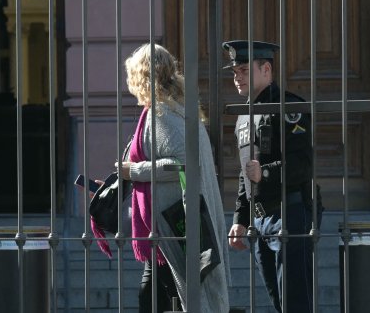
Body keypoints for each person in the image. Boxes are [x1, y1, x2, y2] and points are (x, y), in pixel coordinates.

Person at [106, 43, 229, 313]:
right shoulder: (179, 108)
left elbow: (182, 165)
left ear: (141, 76)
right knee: (156, 299)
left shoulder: (160, 115)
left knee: (155, 301)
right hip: (168, 226)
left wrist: (133, 171)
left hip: (173, 227)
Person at [224, 40, 320, 313]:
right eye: (234, 72)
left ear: (266, 69)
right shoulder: (244, 115)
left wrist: (265, 172)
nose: (237, 78)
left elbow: (303, 164)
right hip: (260, 218)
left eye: (243, 70)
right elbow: (245, 176)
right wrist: (240, 220)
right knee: (278, 302)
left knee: (296, 302)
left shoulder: (289, 107)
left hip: (289, 213)